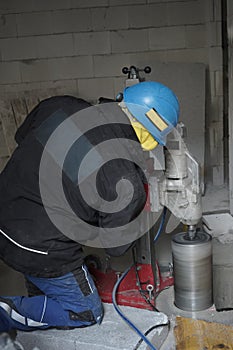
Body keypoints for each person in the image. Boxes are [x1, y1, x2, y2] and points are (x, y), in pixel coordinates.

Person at [0, 81, 179, 332]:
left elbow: (23, 138)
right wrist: (137, 206)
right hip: (37, 246)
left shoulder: (60, 104)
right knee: (85, 312)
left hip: (6, 214)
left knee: (45, 288)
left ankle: (41, 301)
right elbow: (115, 246)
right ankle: (6, 313)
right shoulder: (124, 178)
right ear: (150, 138)